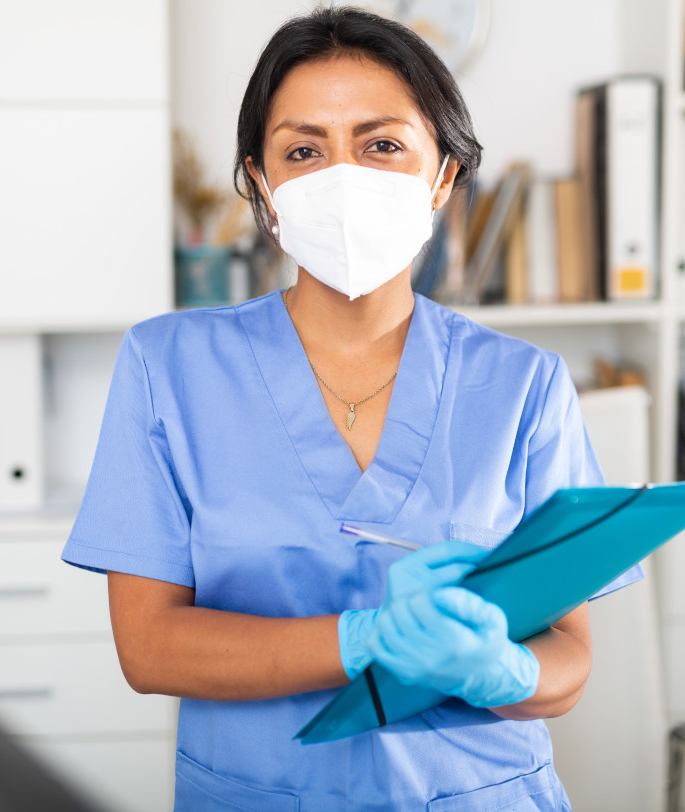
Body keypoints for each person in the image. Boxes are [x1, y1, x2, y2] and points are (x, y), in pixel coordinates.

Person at [62, 7, 642, 810]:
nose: (344, 177)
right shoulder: (168, 368)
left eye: (382, 145)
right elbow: (151, 647)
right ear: (262, 185)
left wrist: (504, 671)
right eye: (304, 150)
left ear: (442, 175)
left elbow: (568, 661)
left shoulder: (523, 386)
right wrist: (361, 641)